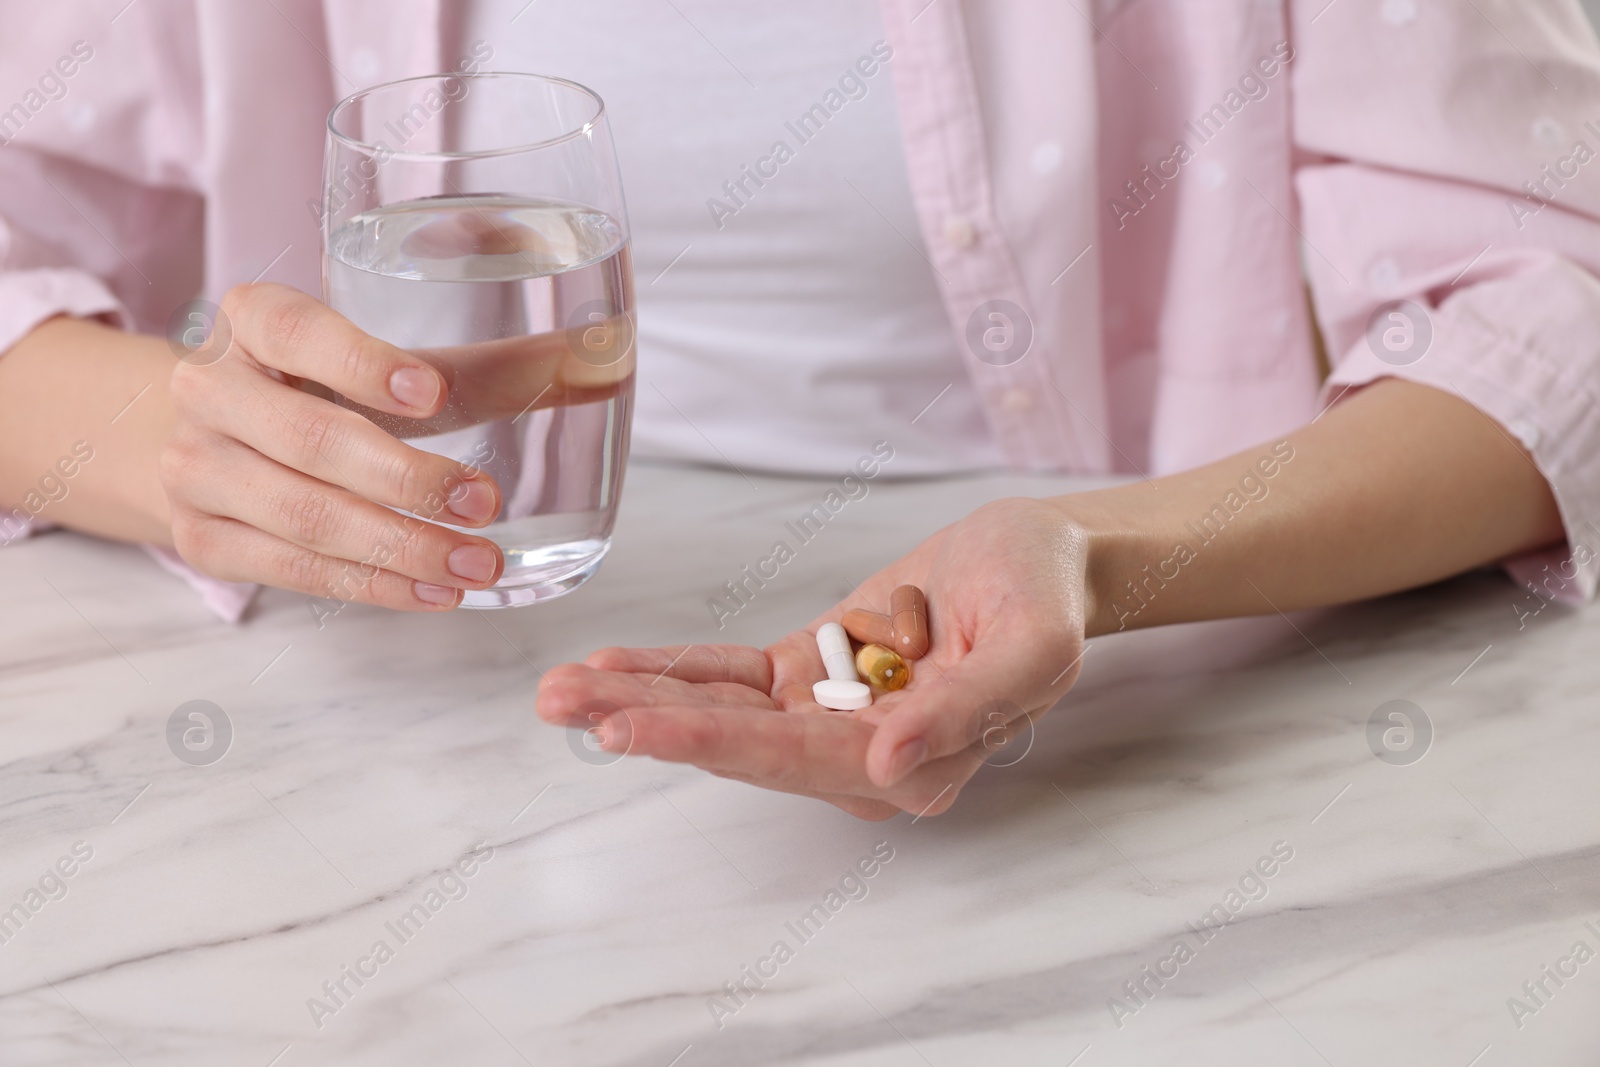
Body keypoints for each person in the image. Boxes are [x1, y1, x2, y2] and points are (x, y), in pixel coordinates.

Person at [3, 2, 1598, 818]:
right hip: (382, 744)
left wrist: (1096, 557)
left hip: (1160, 718)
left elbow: (1563, 301)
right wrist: (173, 444)